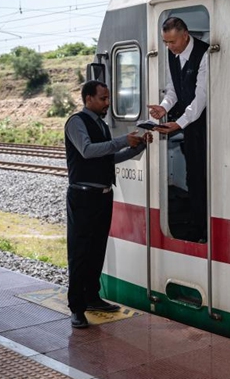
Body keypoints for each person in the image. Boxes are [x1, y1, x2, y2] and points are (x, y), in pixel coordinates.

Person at [64, 80, 152, 329]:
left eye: (108, 98)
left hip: (102, 195)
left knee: (96, 249)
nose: (107, 103)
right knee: (80, 253)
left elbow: (108, 157)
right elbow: (88, 151)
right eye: (103, 98)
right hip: (83, 197)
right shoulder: (76, 123)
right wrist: (125, 139)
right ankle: (77, 308)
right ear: (88, 98)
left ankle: (92, 297)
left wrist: (138, 146)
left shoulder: (100, 124)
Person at [148, 17, 209, 242]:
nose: (169, 47)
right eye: (165, 42)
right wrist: (163, 108)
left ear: (185, 35)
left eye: (172, 42)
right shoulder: (172, 55)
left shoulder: (204, 54)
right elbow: (173, 90)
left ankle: (205, 229)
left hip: (206, 126)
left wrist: (179, 123)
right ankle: (197, 227)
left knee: (205, 177)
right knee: (192, 177)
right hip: (190, 127)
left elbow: (201, 97)